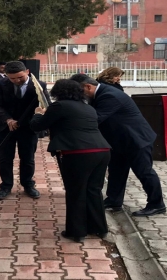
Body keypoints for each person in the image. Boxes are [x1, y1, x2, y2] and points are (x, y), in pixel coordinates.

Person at [69, 74, 166, 217]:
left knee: (144, 172)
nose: (79, 96)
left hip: (136, 140)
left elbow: (95, 118)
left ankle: (157, 204)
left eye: (79, 92)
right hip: (118, 141)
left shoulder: (109, 96)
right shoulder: (99, 94)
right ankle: (114, 200)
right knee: (116, 171)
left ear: (88, 87)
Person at [30, 79, 111, 242]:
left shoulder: (59, 106)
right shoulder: (89, 108)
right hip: (102, 151)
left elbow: (38, 126)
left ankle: (77, 232)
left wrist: (38, 113)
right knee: (93, 190)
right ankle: (99, 228)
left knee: (76, 191)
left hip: (77, 153)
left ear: (58, 93)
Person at [0, 61, 49, 200]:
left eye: (20, 77)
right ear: (6, 76)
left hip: (28, 128)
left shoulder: (39, 85)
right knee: (5, 158)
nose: (17, 80)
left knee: (28, 158)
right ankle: (6, 185)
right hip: (5, 127)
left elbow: (46, 105)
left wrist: (39, 115)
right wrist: (8, 119)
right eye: (12, 78)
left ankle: (28, 184)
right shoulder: (0, 84)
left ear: (27, 71)